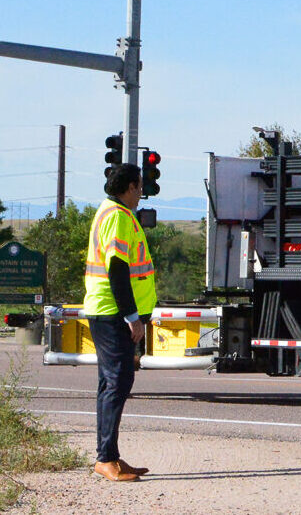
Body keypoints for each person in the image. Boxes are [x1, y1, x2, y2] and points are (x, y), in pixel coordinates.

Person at [83, 163, 156, 482]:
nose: (142, 192)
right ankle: (106, 458)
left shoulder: (113, 212)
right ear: (128, 188)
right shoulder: (117, 216)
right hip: (113, 312)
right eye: (139, 187)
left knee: (110, 382)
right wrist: (131, 317)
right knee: (118, 380)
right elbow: (116, 269)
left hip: (109, 310)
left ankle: (108, 456)